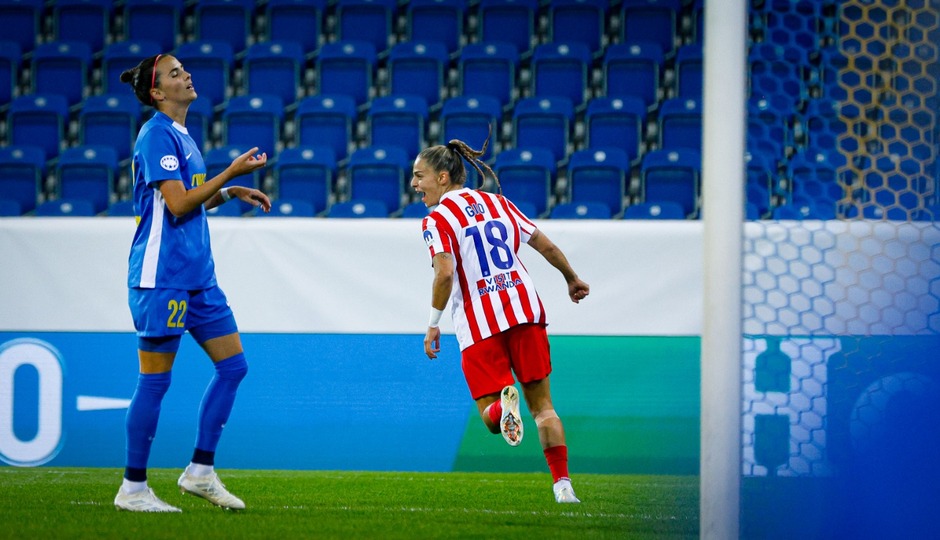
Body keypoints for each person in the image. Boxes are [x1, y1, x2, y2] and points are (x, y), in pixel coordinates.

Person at [113, 53, 271, 513]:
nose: (186, 76)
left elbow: (188, 200)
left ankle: (200, 472)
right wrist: (230, 173)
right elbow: (178, 204)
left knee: (234, 367)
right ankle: (133, 489)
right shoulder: (156, 135)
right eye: (175, 73)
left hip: (198, 277)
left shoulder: (182, 135)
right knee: (154, 382)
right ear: (157, 92)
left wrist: (228, 192)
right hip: (162, 276)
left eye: (184, 70)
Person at [411, 137, 590, 504]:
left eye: (419, 176)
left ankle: (503, 407)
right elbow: (545, 245)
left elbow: (445, 273)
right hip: (525, 312)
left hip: (480, 324)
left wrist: (433, 323)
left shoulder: (436, 219)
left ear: (442, 177)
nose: (414, 184)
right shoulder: (499, 203)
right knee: (544, 408)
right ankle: (563, 487)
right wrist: (571, 278)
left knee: (491, 419)